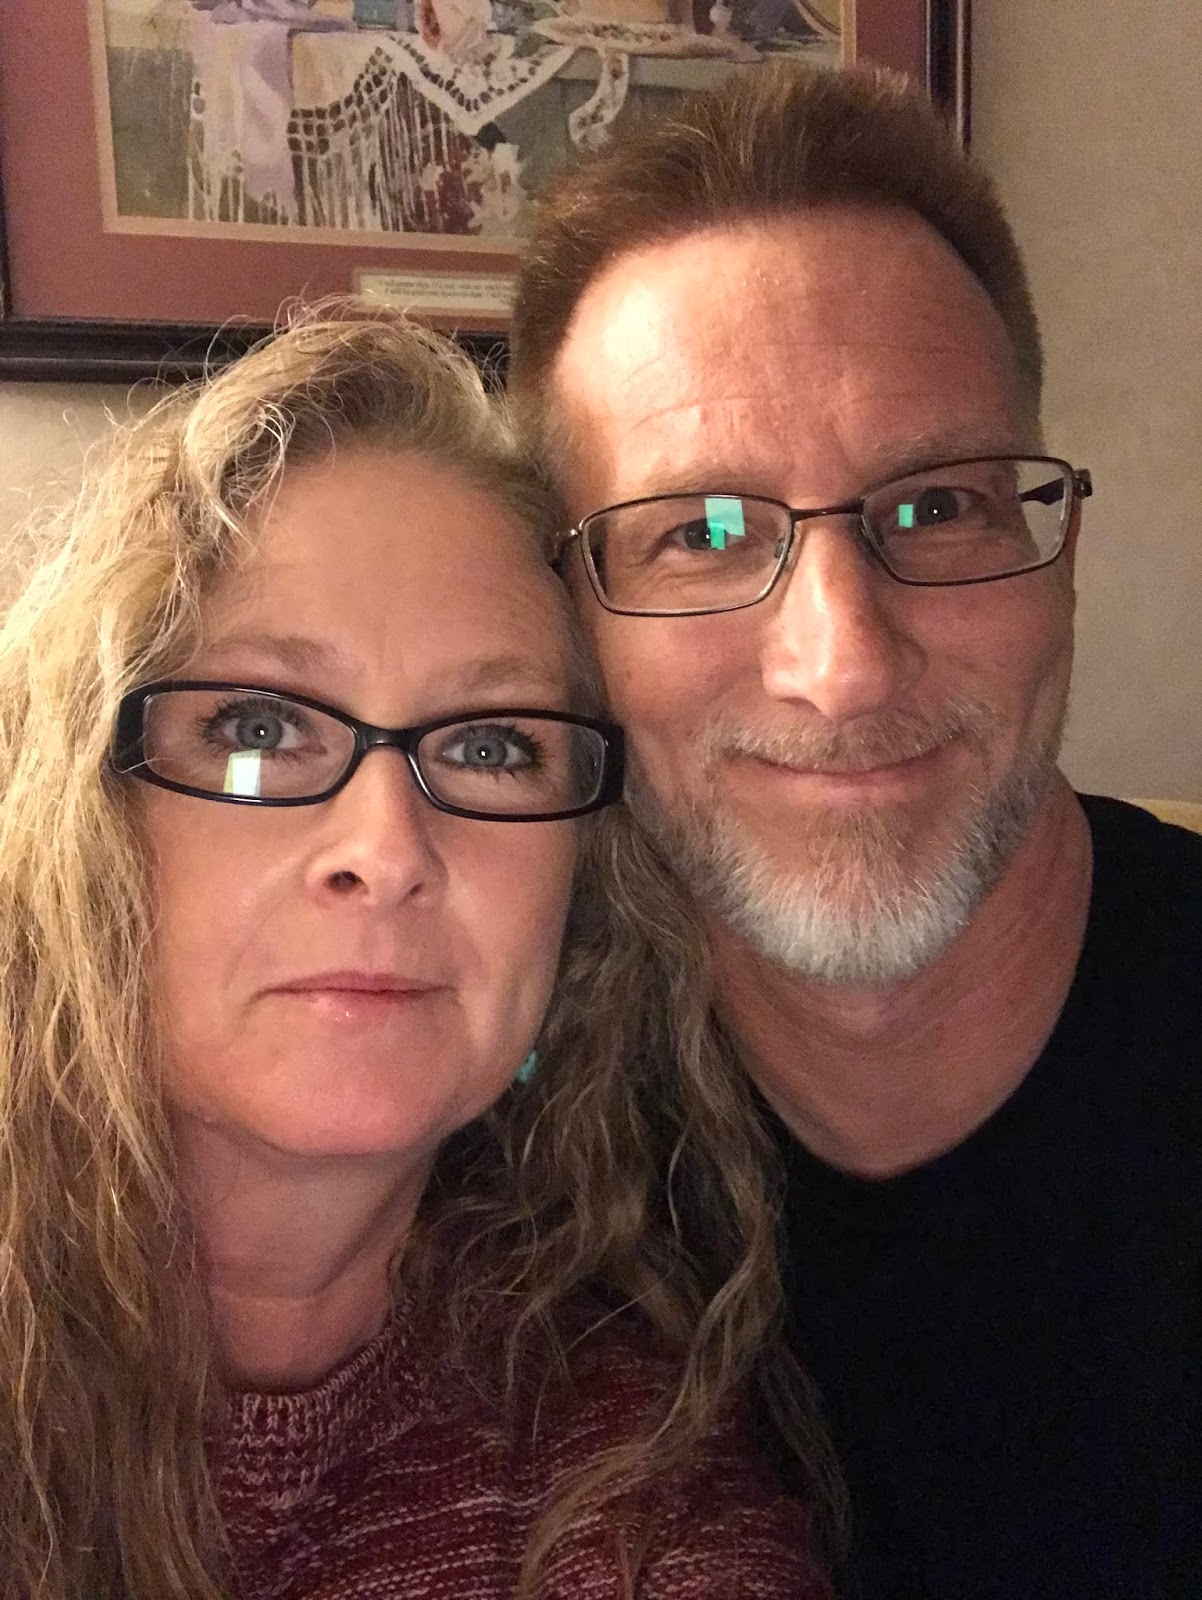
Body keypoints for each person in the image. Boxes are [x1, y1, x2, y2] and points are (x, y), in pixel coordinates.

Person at [0, 310, 833, 1600]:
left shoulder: (632, 1492)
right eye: (258, 726)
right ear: (82, 809)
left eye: (492, 746)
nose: (386, 849)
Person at [508, 62, 1202, 1600]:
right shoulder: (486, 1148)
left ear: (1055, 556)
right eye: (699, 533)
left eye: (937, 506)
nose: (843, 667)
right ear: (566, 621)